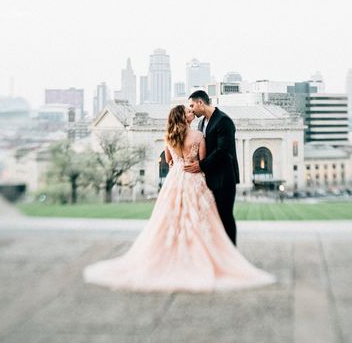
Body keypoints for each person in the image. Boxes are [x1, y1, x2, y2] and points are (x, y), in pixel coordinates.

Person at [82, 104, 276, 293]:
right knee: (200, 219)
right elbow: (202, 160)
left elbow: (168, 160)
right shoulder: (199, 136)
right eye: (188, 111)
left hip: (174, 179)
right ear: (184, 117)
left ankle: (170, 255)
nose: (191, 112)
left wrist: (178, 162)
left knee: (170, 218)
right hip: (194, 179)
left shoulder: (169, 137)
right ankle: (199, 256)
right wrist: (194, 163)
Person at [185, 91, 239, 245]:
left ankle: (231, 252)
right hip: (210, 178)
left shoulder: (224, 121)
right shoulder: (202, 123)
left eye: (192, 105)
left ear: (201, 102)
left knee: (225, 216)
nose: (191, 110)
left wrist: (200, 165)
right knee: (214, 218)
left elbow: (223, 150)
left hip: (225, 178)